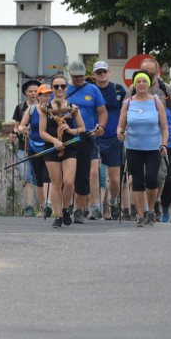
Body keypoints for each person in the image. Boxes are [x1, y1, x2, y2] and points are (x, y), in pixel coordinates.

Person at [117, 71, 168, 227]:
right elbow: (121, 125)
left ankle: (151, 209)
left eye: (143, 81)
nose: (141, 84)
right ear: (134, 84)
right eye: (138, 81)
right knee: (137, 182)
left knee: (152, 179)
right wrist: (120, 133)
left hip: (153, 147)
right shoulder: (128, 103)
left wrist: (164, 144)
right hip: (133, 147)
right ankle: (140, 215)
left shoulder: (156, 102)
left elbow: (165, 128)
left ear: (148, 84)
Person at [39, 75, 86, 228]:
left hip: (70, 146)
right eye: (56, 86)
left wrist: (70, 130)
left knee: (69, 181)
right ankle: (58, 215)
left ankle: (66, 208)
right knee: (56, 183)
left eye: (63, 86)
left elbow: (82, 128)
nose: (60, 89)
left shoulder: (73, 107)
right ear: (52, 88)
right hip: (52, 148)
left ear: (67, 88)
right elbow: (42, 132)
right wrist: (54, 141)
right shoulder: (45, 108)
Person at [65, 61, 106, 224]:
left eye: (82, 76)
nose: (79, 79)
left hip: (86, 136)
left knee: (83, 174)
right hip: (66, 137)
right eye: (76, 76)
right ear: (70, 75)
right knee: (67, 176)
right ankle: (65, 206)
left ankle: (79, 210)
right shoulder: (62, 89)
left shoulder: (92, 89)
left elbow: (102, 112)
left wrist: (101, 126)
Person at [90, 60, 127, 220]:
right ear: (94, 75)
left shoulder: (118, 89)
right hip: (94, 137)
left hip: (113, 137)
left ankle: (112, 200)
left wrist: (124, 130)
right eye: (98, 72)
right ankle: (98, 206)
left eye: (104, 72)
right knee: (96, 175)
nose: (102, 75)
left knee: (114, 180)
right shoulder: (90, 90)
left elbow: (126, 112)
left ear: (109, 73)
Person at [17, 84, 53, 217]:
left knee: (47, 176)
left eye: (49, 95)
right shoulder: (31, 110)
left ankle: (48, 204)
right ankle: (42, 206)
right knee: (38, 177)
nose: (47, 97)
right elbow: (21, 125)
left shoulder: (54, 109)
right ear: (39, 96)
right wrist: (23, 129)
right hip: (33, 146)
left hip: (49, 146)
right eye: (44, 95)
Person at [12, 78, 41, 216]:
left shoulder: (43, 107)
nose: (33, 93)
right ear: (25, 93)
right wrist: (17, 132)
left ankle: (42, 206)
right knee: (25, 177)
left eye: (36, 91)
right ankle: (28, 206)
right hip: (23, 147)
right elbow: (16, 126)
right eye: (31, 91)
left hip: (39, 146)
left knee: (40, 177)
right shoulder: (20, 107)